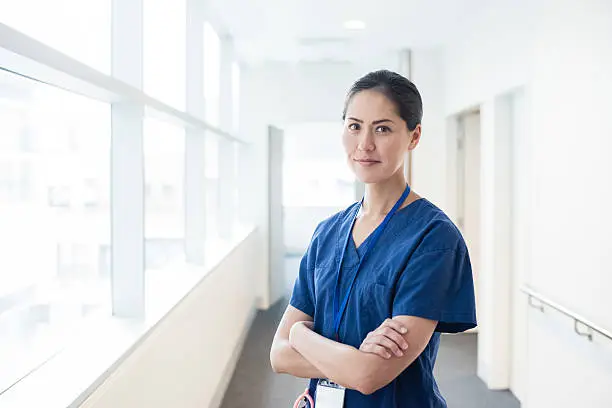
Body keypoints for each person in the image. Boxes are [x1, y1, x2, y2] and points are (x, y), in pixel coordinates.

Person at [270, 69, 477, 407]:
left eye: (382, 128)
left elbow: (369, 376)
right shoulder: (328, 233)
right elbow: (278, 355)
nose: (364, 144)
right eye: (354, 126)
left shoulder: (434, 238)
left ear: (414, 136)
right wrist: (349, 360)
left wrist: (300, 335)